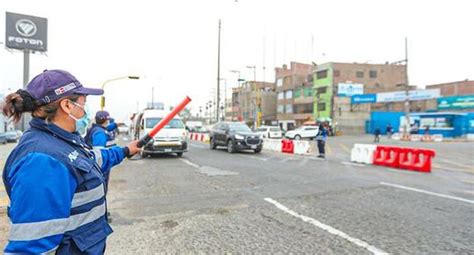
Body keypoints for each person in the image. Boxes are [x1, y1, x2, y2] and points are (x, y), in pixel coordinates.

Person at [1, 69, 140, 254]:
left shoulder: (64, 141)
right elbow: (31, 249)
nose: (85, 110)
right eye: (84, 103)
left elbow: (93, 159)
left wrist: (125, 150)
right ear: (67, 105)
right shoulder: (42, 161)